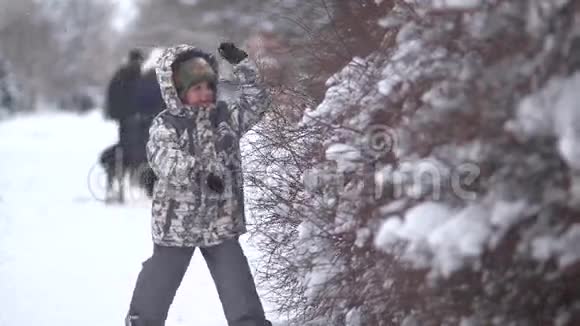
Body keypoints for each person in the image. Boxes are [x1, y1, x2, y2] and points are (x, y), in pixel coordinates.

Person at [125, 42, 273, 326]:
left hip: (221, 222)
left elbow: (257, 102)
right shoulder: (165, 125)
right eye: (196, 88)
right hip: (177, 225)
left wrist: (243, 66)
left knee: (237, 285)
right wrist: (200, 174)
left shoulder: (225, 118)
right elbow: (166, 160)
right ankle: (142, 321)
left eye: (209, 86)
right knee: (158, 284)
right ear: (178, 93)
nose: (205, 94)